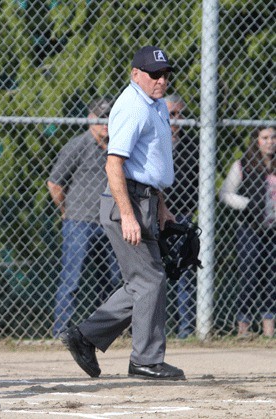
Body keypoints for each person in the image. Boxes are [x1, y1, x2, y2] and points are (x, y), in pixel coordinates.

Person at [61, 46, 186, 380]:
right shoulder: (132, 107)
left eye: (165, 74)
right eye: (153, 74)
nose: (161, 80)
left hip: (145, 198)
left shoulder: (155, 104)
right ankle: (145, 359)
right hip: (125, 201)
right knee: (150, 279)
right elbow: (114, 164)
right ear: (135, 74)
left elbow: (148, 165)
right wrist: (128, 215)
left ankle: (84, 336)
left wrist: (161, 206)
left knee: (142, 283)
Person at [47, 97, 121, 337]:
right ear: (90, 119)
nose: (106, 124)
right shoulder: (78, 145)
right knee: (72, 280)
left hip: (110, 223)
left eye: (110, 118)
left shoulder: (117, 148)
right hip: (79, 222)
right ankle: (61, 330)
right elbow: (54, 183)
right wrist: (66, 210)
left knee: (111, 280)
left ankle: (106, 331)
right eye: (101, 118)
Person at [219, 126, 275, 338]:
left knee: (272, 275)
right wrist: (247, 204)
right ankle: (243, 325)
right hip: (250, 227)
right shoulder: (243, 165)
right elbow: (225, 193)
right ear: (257, 141)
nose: (270, 141)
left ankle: (268, 325)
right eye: (265, 138)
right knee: (250, 273)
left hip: (273, 229)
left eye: (273, 137)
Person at [164, 93, 199, 339]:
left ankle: (186, 329)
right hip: (157, 214)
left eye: (180, 114)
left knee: (184, 272)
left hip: (183, 215)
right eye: (171, 114)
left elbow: (199, 181)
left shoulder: (192, 144)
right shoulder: (154, 140)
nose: (177, 119)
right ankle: (142, 329)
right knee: (152, 273)